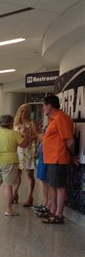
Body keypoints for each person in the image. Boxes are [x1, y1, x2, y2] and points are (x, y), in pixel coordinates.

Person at [0, 114, 29, 216]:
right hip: (9, 162)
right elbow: (24, 145)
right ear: (11, 123)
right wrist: (26, 136)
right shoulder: (14, 134)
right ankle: (8, 210)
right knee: (7, 186)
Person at [41, 95, 74, 224]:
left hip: (58, 158)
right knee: (52, 186)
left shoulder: (61, 118)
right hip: (51, 158)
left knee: (59, 186)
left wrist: (71, 155)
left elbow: (70, 141)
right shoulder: (53, 119)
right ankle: (53, 210)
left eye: (44, 106)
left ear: (49, 106)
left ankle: (59, 214)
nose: (43, 108)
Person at [12, 104, 39, 207]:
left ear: (29, 113)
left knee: (29, 175)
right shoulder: (15, 124)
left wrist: (28, 137)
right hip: (18, 151)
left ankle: (30, 197)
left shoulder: (32, 123)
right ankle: (15, 194)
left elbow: (37, 136)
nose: (24, 113)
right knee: (17, 174)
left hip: (29, 151)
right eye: (22, 111)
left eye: (26, 111)